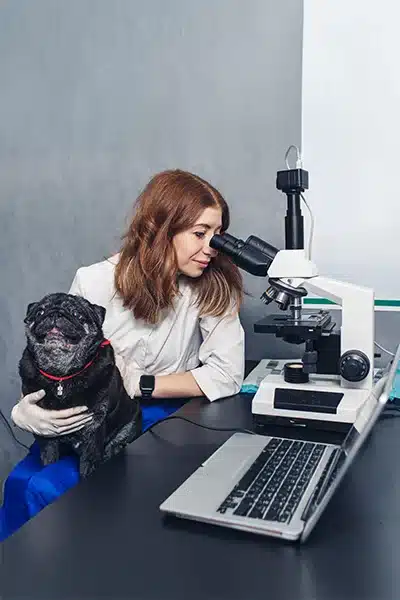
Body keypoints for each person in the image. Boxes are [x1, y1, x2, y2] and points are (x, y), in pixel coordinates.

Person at [0, 169, 245, 540]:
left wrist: (141, 384)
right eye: (200, 233)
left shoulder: (212, 287)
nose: (212, 247)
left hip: (162, 415)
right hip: (87, 413)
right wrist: (27, 411)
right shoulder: (95, 281)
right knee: (23, 483)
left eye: (218, 235)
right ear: (162, 228)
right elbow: (54, 359)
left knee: (56, 490)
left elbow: (226, 375)